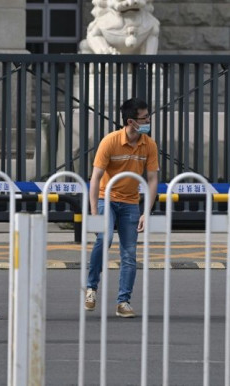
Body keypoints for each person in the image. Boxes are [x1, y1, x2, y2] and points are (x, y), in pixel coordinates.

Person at [84, 97, 159, 318]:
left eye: (148, 116)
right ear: (131, 121)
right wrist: (94, 213)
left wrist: (146, 211)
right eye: (144, 118)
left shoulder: (149, 144)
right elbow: (95, 177)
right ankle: (91, 288)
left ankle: (123, 301)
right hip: (105, 198)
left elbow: (152, 179)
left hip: (130, 202)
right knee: (104, 238)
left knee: (129, 253)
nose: (148, 120)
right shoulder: (110, 141)